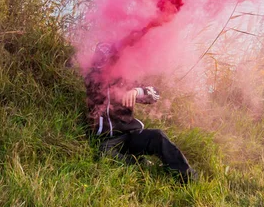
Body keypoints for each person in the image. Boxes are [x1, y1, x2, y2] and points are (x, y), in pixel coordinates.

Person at [84, 42, 198, 183]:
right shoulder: (92, 80)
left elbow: (155, 94)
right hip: (107, 140)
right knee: (104, 153)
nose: (107, 66)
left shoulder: (126, 79)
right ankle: (141, 165)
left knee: (158, 136)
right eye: (102, 60)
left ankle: (187, 177)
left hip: (131, 135)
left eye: (111, 61)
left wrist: (137, 91)